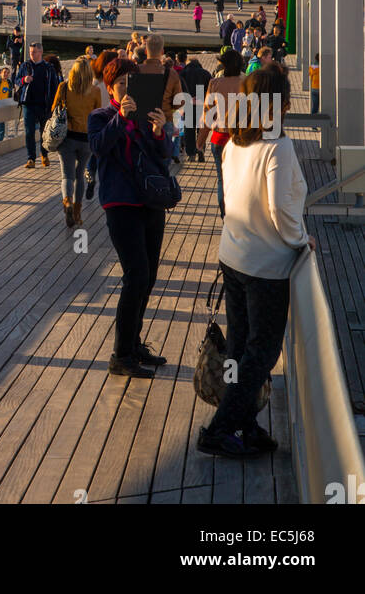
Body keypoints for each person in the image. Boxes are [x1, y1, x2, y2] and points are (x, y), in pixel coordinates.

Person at [197, 66, 313, 458]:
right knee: (261, 353)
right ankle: (220, 429)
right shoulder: (277, 145)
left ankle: (246, 426)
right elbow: (280, 210)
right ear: (277, 103)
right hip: (266, 266)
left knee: (239, 348)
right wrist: (301, 242)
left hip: (234, 256)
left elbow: (232, 201)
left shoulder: (233, 143)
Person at [88, 56, 175, 378]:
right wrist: (121, 119)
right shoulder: (101, 116)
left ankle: (134, 343)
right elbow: (98, 148)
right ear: (109, 87)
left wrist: (158, 131)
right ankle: (121, 355)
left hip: (150, 201)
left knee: (149, 275)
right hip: (121, 203)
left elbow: (166, 154)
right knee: (135, 275)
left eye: (130, 83)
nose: (126, 89)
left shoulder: (148, 116)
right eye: (120, 83)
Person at [51, 55, 101, 227]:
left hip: (67, 138)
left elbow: (54, 109)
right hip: (86, 139)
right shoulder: (95, 91)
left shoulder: (64, 87)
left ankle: (67, 202)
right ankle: (78, 212)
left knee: (67, 175)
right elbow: (97, 114)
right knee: (80, 175)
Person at [196, 47, 244, 217]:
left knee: (222, 180)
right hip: (243, 141)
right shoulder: (249, 83)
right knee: (242, 180)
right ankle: (240, 216)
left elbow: (207, 117)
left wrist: (200, 142)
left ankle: (226, 217)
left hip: (219, 139)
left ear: (224, 66)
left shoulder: (215, 84)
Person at [14, 41, 60, 169]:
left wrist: (54, 104)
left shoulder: (48, 68)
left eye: (34, 52)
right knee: (29, 132)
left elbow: (54, 86)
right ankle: (31, 158)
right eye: (30, 52)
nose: (31, 54)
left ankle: (44, 155)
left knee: (43, 132)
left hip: (44, 105)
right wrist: (24, 80)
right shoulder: (25, 66)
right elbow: (16, 80)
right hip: (28, 104)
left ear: (40, 52)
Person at [179, 51, 211, 162]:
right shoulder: (206, 73)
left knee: (189, 130)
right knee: (201, 129)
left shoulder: (182, 73)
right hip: (202, 104)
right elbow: (210, 90)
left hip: (188, 104)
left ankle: (191, 153)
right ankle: (200, 149)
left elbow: (179, 90)